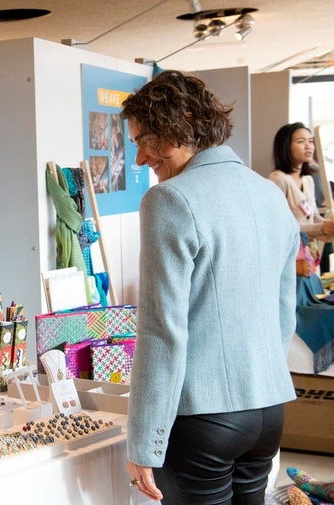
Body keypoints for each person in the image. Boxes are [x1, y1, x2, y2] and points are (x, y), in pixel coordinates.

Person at [121, 70, 300, 504]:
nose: (140, 159)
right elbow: (283, 310)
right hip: (267, 411)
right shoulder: (268, 194)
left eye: (144, 139)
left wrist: (144, 442)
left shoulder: (170, 200)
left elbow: (163, 331)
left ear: (180, 123)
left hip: (203, 420)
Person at [268, 122, 334, 263]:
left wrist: (328, 225)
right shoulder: (278, 179)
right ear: (286, 146)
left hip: (308, 252)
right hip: (291, 256)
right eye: (301, 141)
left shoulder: (308, 180)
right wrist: (321, 227)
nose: (308, 146)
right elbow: (281, 225)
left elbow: (313, 216)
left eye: (310, 141)